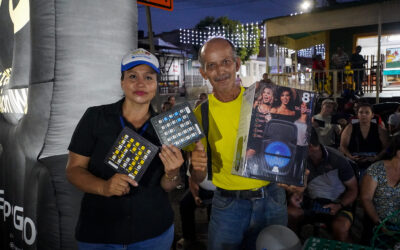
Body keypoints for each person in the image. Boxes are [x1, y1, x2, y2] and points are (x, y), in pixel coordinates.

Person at [66, 49, 184, 250]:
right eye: (132, 76)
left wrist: (173, 174)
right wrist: (104, 187)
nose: (140, 83)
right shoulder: (95, 117)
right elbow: (73, 170)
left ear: (156, 85)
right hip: (99, 233)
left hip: (153, 233)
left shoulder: (167, 127)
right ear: (122, 82)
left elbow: (168, 186)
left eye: (148, 77)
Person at [189, 37, 288, 250]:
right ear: (203, 73)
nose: (220, 71)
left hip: (271, 198)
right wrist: (196, 168)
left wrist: (294, 172)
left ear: (237, 64)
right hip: (228, 207)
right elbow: (197, 176)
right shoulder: (199, 115)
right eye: (211, 65)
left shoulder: (263, 103)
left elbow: (285, 149)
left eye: (226, 61)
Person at [288, 128, 358, 242]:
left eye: (297, 146)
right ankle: (294, 244)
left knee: (341, 227)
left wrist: (339, 205)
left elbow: (353, 190)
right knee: (290, 214)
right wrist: (297, 194)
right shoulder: (299, 160)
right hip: (311, 202)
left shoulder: (337, 159)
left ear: (309, 146)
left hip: (337, 204)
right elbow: (297, 188)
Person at [360, 135, 400, 245]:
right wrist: (379, 223)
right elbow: (366, 198)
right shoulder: (376, 169)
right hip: (377, 221)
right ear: (397, 152)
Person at [340, 103, 389, 178]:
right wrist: (350, 156)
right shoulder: (350, 127)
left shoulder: (380, 129)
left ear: (372, 115)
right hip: (354, 158)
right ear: (357, 115)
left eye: (367, 112)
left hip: (374, 159)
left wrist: (376, 157)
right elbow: (343, 146)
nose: (363, 115)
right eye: (361, 112)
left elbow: (386, 147)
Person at [246, 83, 276, 157]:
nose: (265, 95)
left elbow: (273, 132)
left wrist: (270, 121)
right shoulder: (256, 104)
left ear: (272, 96)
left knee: (248, 156)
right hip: (248, 138)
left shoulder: (273, 110)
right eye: (264, 92)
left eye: (268, 93)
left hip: (259, 143)